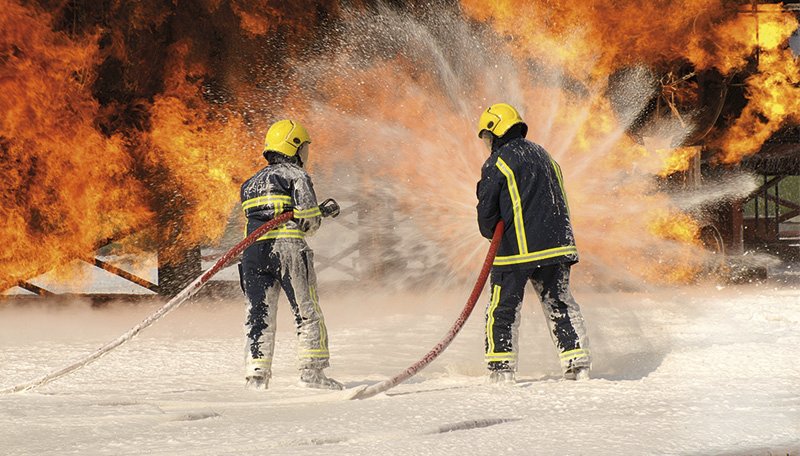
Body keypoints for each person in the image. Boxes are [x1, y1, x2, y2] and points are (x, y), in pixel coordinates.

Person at [475, 103, 591, 384]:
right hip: (558, 247)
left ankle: (501, 369)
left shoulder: (498, 162)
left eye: (488, 138)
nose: (488, 144)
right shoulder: (546, 156)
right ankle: (578, 365)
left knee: (502, 309)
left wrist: (493, 232)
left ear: (496, 130)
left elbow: (487, 215)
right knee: (561, 304)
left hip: (517, 250)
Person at [239, 119, 342, 390]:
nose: (306, 154)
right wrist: (323, 212)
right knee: (307, 312)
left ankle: (256, 377)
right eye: (304, 147)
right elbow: (308, 222)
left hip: (252, 253)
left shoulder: (249, 184)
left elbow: (258, 219)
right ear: (293, 146)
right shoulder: (296, 176)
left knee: (258, 314)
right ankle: (313, 374)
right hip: (287, 250)